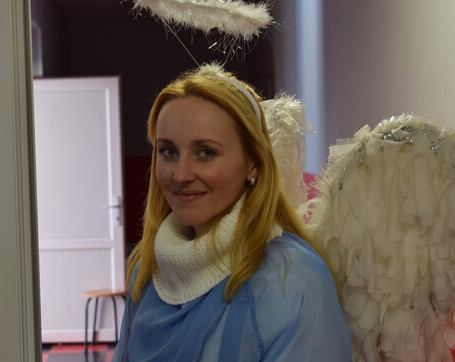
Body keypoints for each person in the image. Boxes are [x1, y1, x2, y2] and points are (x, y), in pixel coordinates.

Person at [112, 64, 351, 361]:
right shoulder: (147, 268)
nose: (181, 174)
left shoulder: (292, 279)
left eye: (206, 152)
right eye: (169, 151)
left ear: (253, 163)